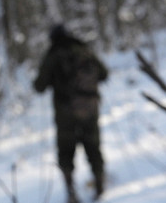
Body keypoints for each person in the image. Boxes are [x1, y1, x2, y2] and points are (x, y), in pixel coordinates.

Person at [33, 24, 108, 203]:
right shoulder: (84, 50)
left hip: (65, 113)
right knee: (93, 147)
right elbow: (104, 74)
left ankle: (71, 192)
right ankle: (99, 187)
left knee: (66, 152)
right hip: (89, 109)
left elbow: (39, 86)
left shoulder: (52, 55)